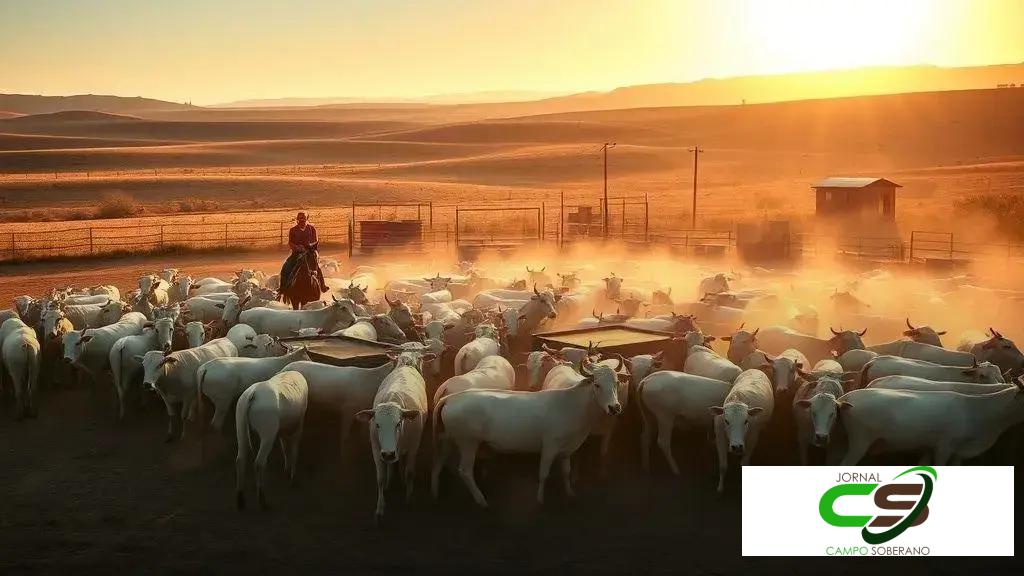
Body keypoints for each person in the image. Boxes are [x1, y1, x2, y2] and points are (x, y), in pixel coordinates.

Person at [279, 211, 330, 295]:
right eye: (300, 219)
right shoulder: (293, 230)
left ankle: (322, 286)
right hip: (296, 253)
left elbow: (315, 241)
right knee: (286, 266)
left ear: (307, 219)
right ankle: (283, 288)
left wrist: (308, 246)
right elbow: (291, 243)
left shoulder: (312, 229)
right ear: (297, 220)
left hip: (309, 252)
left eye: (303, 219)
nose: (301, 221)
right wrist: (298, 247)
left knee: (316, 267)